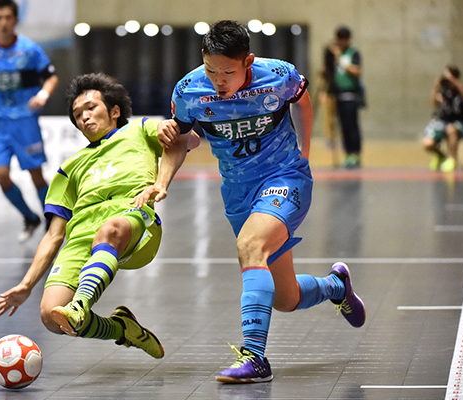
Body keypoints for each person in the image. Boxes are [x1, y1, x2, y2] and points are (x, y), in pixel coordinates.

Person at [156, 20, 366, 383]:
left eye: (228, 72)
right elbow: (184, 140)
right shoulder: (189, 90)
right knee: (286, 298)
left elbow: (302, 101)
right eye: (211, 70)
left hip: (284, 178)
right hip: (238, 193)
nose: (219, 81)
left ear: (248, 62)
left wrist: (305, 152)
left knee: (250, 246)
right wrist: (161, 181)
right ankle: (336, 286)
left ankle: (255, 358)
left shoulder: (279, 75)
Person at [0, 73, 200, 358]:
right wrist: (26, 285)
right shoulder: (70, 167)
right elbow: (54, 235)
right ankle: (122, 329)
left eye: (91, 108)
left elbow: (188, 139)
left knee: (109, 230)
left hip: (131, 217)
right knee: (51, 316)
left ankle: (81, 304)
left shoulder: (138, 129)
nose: (84, 117)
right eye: (78, 114)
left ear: (115, 112)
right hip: (81, 236)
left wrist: (167, 142)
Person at [0, 0, 58, 242]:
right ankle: (29, 217)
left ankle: (52, 221)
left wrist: (43, 94)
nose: (4, 23)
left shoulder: (29, 49)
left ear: (15, 20)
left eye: (8, 17)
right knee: (1, 176)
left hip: (25, 122)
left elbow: (51, 77)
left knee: (36, 175)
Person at [422, 66, 463, 172]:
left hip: (460, 122)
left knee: (451, 129)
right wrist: (437, 86)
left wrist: (454, 82)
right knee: (427, 143)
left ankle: (453, 160)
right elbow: (434, 102)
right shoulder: (443, 92)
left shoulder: (461, 91)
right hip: (442, 122)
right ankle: (441, 156)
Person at [329, 26, 364, 169]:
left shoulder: (353, 53)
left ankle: (355, 154)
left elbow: (357, 71)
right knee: (343, 126)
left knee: (352, 126)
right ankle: (347, 153)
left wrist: (340, 60)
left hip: (351, 95)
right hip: (338, 95)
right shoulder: (334, 54)